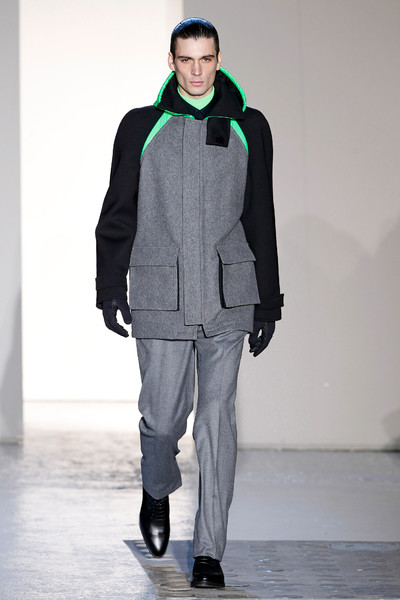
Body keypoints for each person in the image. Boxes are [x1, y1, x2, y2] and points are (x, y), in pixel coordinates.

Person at [95, 17, 284, 589]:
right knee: (161, 419)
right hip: (161, 293)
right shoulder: (141, 125)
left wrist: (267, 301)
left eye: (206, 59)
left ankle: (208, 553)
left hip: (229, 294)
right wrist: (110, 286)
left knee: (216, 424)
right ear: (172, 61)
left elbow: (261, 213)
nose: (197, 71)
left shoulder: (249, 125)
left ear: (219, 59)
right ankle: (156, 488)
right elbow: (118, 208)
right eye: (186, 59)